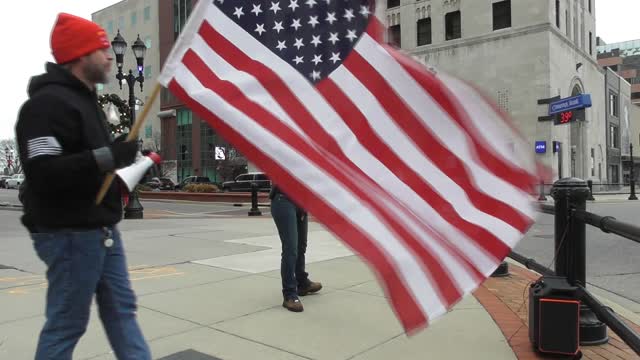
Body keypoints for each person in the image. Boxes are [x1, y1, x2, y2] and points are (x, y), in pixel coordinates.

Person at [15, 13, 151, 360]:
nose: (110, 56)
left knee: (122, 312)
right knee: (67, 324)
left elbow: (94, 173)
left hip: (101, 227)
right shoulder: (45, 106)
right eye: (102, 49)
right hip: (69, 234)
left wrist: (130, 168)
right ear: (80, 55)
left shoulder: (87, 101)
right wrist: (108, 156)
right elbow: (44, 173)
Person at [270, 185, 322, 312]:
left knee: (301, 246)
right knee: (290, 249)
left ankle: (302, 283)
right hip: (283, 200)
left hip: (301, 202)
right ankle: (289, 295)